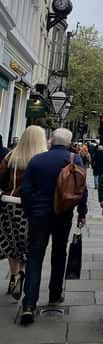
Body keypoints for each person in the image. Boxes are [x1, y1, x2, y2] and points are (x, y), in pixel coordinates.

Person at [19, 128, 87, 325]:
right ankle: (55, 293)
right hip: (62, 214)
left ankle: (29, 304)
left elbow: (26, 189)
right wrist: (82, 213)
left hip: (39, 215)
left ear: (51, 141)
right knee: (59, 253)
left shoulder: (37, 160)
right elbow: (81, 190)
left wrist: (29, 210)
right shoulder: (74, 160)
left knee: (35, 257)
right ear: (69, 143)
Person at [0, 126, 48, 301]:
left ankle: (13, 276)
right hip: (31, 207)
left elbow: (1, 179)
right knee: (28, 243)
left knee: (11, 242)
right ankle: (22, 271)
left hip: (9, 203)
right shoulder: (42, 159)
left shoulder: (11, 156)